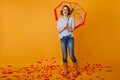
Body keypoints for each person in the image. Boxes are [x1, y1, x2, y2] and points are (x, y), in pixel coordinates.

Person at [57, 5, 78, 76]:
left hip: (70, 38)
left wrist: (68, 27)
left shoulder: (71, 19)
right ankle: (66, 70)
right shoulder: (60, 20)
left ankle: (75, 70)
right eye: (64, 10)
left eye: (66, 10)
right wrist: (64, 27)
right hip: (63, 39)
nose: (65, 11)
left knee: (71, 55)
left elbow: (72, 30)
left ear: (68, 11)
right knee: (64, 56)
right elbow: (58, 30)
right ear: (62, 12)